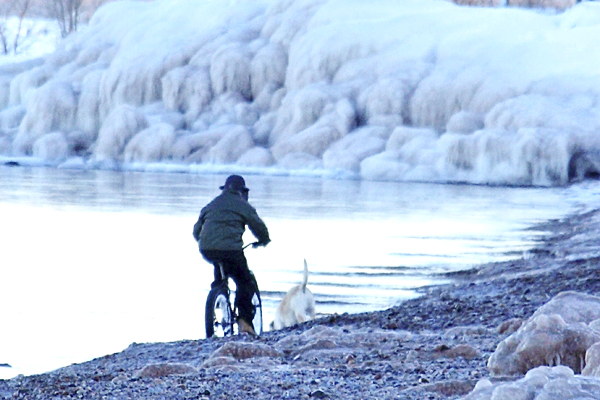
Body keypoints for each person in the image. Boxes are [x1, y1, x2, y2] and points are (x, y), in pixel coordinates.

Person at [193, 175, 270, 336]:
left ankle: (218, 292)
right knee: (244, 281)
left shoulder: (211, 205)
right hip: (232, 251)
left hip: (207, 249)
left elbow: (196, 231)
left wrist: (205, 242)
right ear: (243, 192)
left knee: (220, 270)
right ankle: (244, 321)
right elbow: (258, 226)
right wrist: (263, 240)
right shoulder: (243, 205)